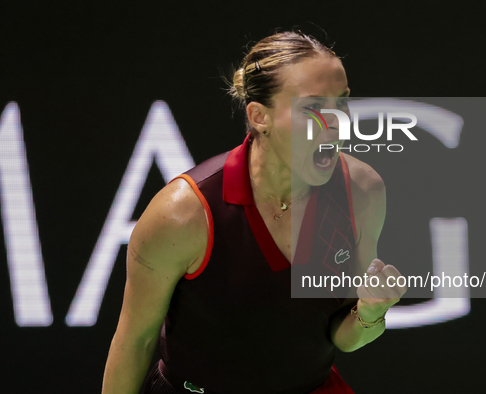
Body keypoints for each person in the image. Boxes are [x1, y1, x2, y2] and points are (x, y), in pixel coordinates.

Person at [101, 30, 406, 394]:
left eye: (341, 104)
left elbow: (341, 336)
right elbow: (134, 343)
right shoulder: (183, 214)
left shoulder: (361, 191)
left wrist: (371, 314)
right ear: (259, 117)